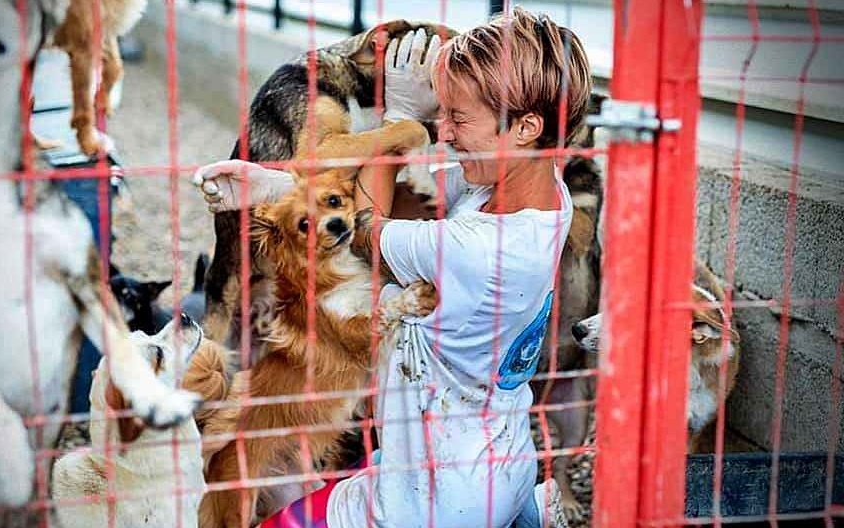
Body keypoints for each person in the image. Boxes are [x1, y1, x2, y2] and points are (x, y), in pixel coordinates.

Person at [194, 7, 590, 528]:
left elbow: (361, 228)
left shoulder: (476, 248)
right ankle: (526, 512)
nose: (443, 133)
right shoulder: (541, 195)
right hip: (497, 458)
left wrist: (397, 120)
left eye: (459, 119)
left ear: (526, 127)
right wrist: (283, 188)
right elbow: (402, 193)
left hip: (432, 497)